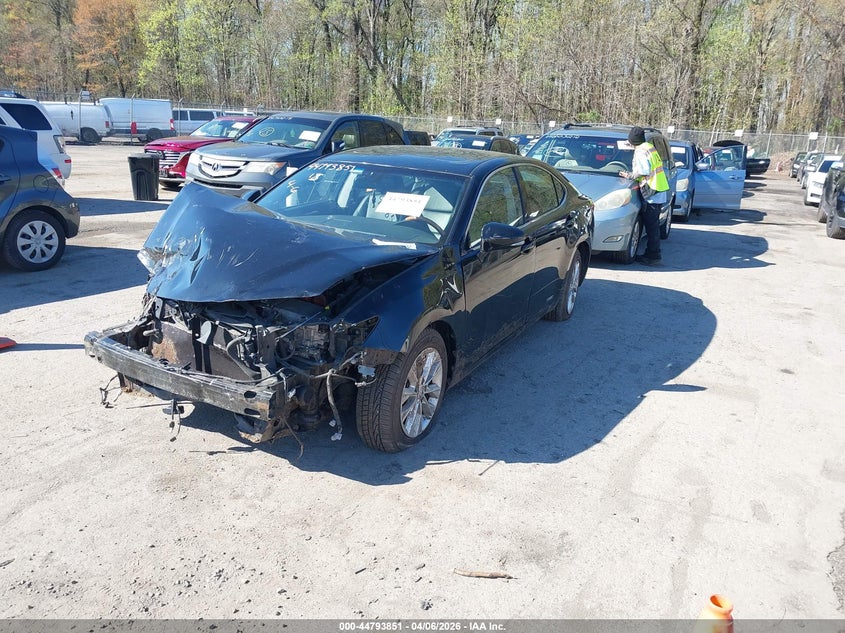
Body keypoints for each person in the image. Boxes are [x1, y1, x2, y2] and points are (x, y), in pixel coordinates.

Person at [619, 126, 670, 265]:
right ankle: (653, 254)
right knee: (653, 225)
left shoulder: (640, 151)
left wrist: (628, 175)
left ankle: (653, 256)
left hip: (652, 190)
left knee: (651, 226)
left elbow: (642, 171)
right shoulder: (648, 146)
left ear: (632, 140)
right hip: (658, 189)